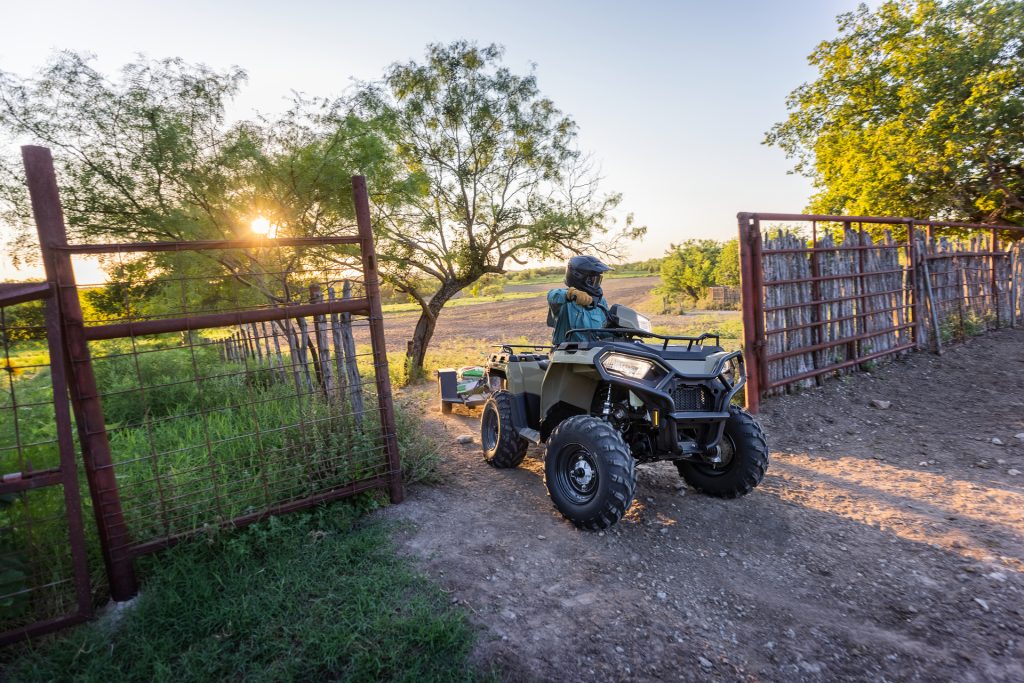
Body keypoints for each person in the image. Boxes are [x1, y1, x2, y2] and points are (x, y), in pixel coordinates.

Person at [547, 255, 613, 344]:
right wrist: (571, 294)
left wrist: (619, 332)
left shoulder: (600, 302)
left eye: (597, 279)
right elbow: (552, 295)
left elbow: (603, 331)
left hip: (592, 349)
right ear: (578, 277)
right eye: (592, 279)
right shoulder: (564, 299)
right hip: (565, 350)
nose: (596, 283)